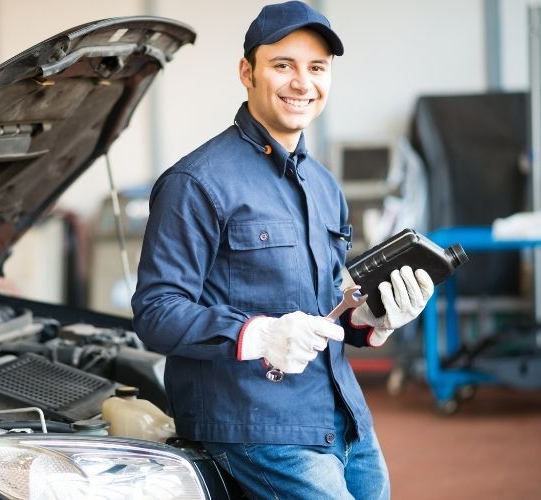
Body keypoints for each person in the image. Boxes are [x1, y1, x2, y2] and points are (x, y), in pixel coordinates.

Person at [131, 1, 433, 498]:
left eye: (316, 68)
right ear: (247, 72)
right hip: (256, 428)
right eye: (283, 65)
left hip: (342, 416)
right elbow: (156, 313)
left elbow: (327, 306)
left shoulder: (324, 186)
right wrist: (260, 335)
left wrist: (374, 319)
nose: (302, 82)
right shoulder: (196, 183)